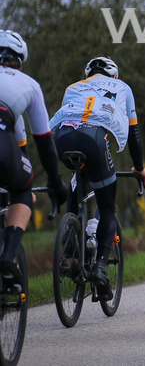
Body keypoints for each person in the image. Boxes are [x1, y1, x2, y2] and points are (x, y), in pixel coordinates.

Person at [50, 55, 145, 300]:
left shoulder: (73, 87)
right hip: (94, 139)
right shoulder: (123, 87)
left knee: (79, 178)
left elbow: (67, 118)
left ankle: (70, 249)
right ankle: (101, 269)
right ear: (113, 76)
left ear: (88, 75)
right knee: (107, 207)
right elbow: (134, 132)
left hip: (61, 139)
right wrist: (139, 167)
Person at [0, 31, 67, 283]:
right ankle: (7, 256)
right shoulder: (28, 84)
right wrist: (54, 182)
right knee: (22, 192)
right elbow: (43, 140)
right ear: (19, 60)